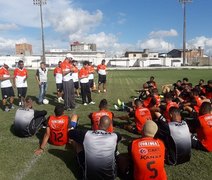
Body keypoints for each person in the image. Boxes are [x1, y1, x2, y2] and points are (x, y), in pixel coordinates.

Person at [69, 116, 122, 180]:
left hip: (89, 177)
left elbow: (70, 133)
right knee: (114, 146)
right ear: (109, 126)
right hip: (110, 177)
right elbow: (119, 136)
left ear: (98, 123)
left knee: (77, 141)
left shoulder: (87, 134)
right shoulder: (115, 136)